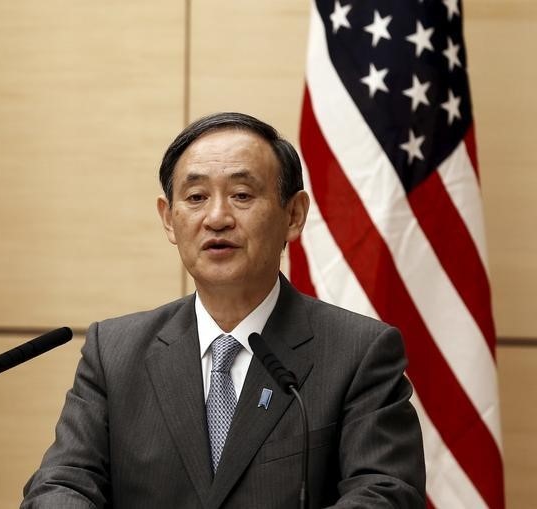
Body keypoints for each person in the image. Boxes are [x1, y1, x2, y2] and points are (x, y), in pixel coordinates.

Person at [21, 112, 426, 508]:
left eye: (242, 195)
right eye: (196, 198)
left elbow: (385, 493)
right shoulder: (114, 351)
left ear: (294, 215)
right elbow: (62, 482)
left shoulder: (359, 353)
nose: (216, 218)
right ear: (168, 219)